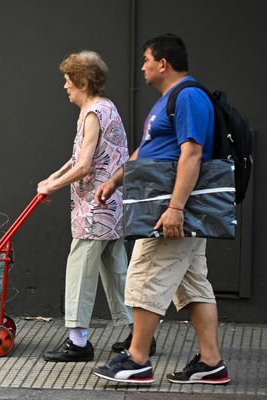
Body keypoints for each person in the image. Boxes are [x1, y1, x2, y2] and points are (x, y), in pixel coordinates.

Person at [93, 34, 230, 385]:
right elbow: (148, 149)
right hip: (167, 207)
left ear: (163, 63)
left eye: (146, 60)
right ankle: (211, 363)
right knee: (193, 286)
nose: (142, 66)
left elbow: (192, 153)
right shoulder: (168, 101)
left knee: (145, 276)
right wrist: (116, 180)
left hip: (170, 212)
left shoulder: (189, 97)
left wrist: (175, 208)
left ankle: (137, 359)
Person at [37, 51, 137, 362]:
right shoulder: (102, 108)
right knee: (115, 269)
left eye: (68, 80)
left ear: (82, 81)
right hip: (110, 206)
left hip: (95, 209)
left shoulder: (94, 113)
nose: (65, 86)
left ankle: (78, 342)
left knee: (80, 268)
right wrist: (52, 177)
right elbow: (77, 159)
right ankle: (139, 333)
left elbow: (83, 167)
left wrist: (52, 186)